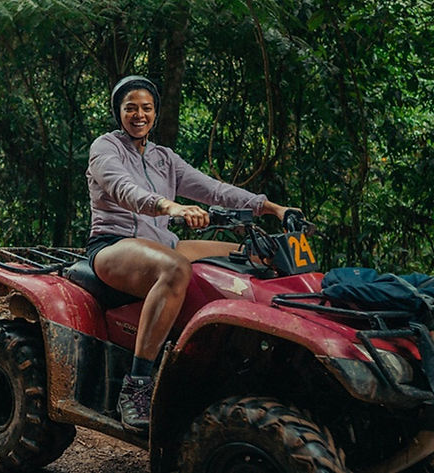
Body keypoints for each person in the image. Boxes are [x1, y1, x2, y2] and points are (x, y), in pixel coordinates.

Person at [86, 76, 299, 433]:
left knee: (253, 258)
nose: (139, 115)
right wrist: (172, 207)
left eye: (146, 108)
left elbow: (213, 189)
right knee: (176, 269)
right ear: (118, 112)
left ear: (155, 112)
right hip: (113, 243)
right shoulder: (105, 148)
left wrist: (272, 208)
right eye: (131, 108)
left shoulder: (163, 158)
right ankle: (137, 385)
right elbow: (125, 190)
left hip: (162, 243)